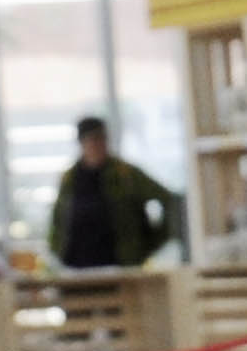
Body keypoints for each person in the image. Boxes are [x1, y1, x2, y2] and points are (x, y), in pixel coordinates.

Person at [50, 115, 184, 270]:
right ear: (81, 142)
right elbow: (57, 220)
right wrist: (57, 250)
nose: (97, 145)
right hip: (77, 268)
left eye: (101, 139)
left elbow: (169, 200)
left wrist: (151, 242)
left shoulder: (125, 174)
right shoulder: (70, 178)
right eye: (92, 139)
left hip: (121, 267)